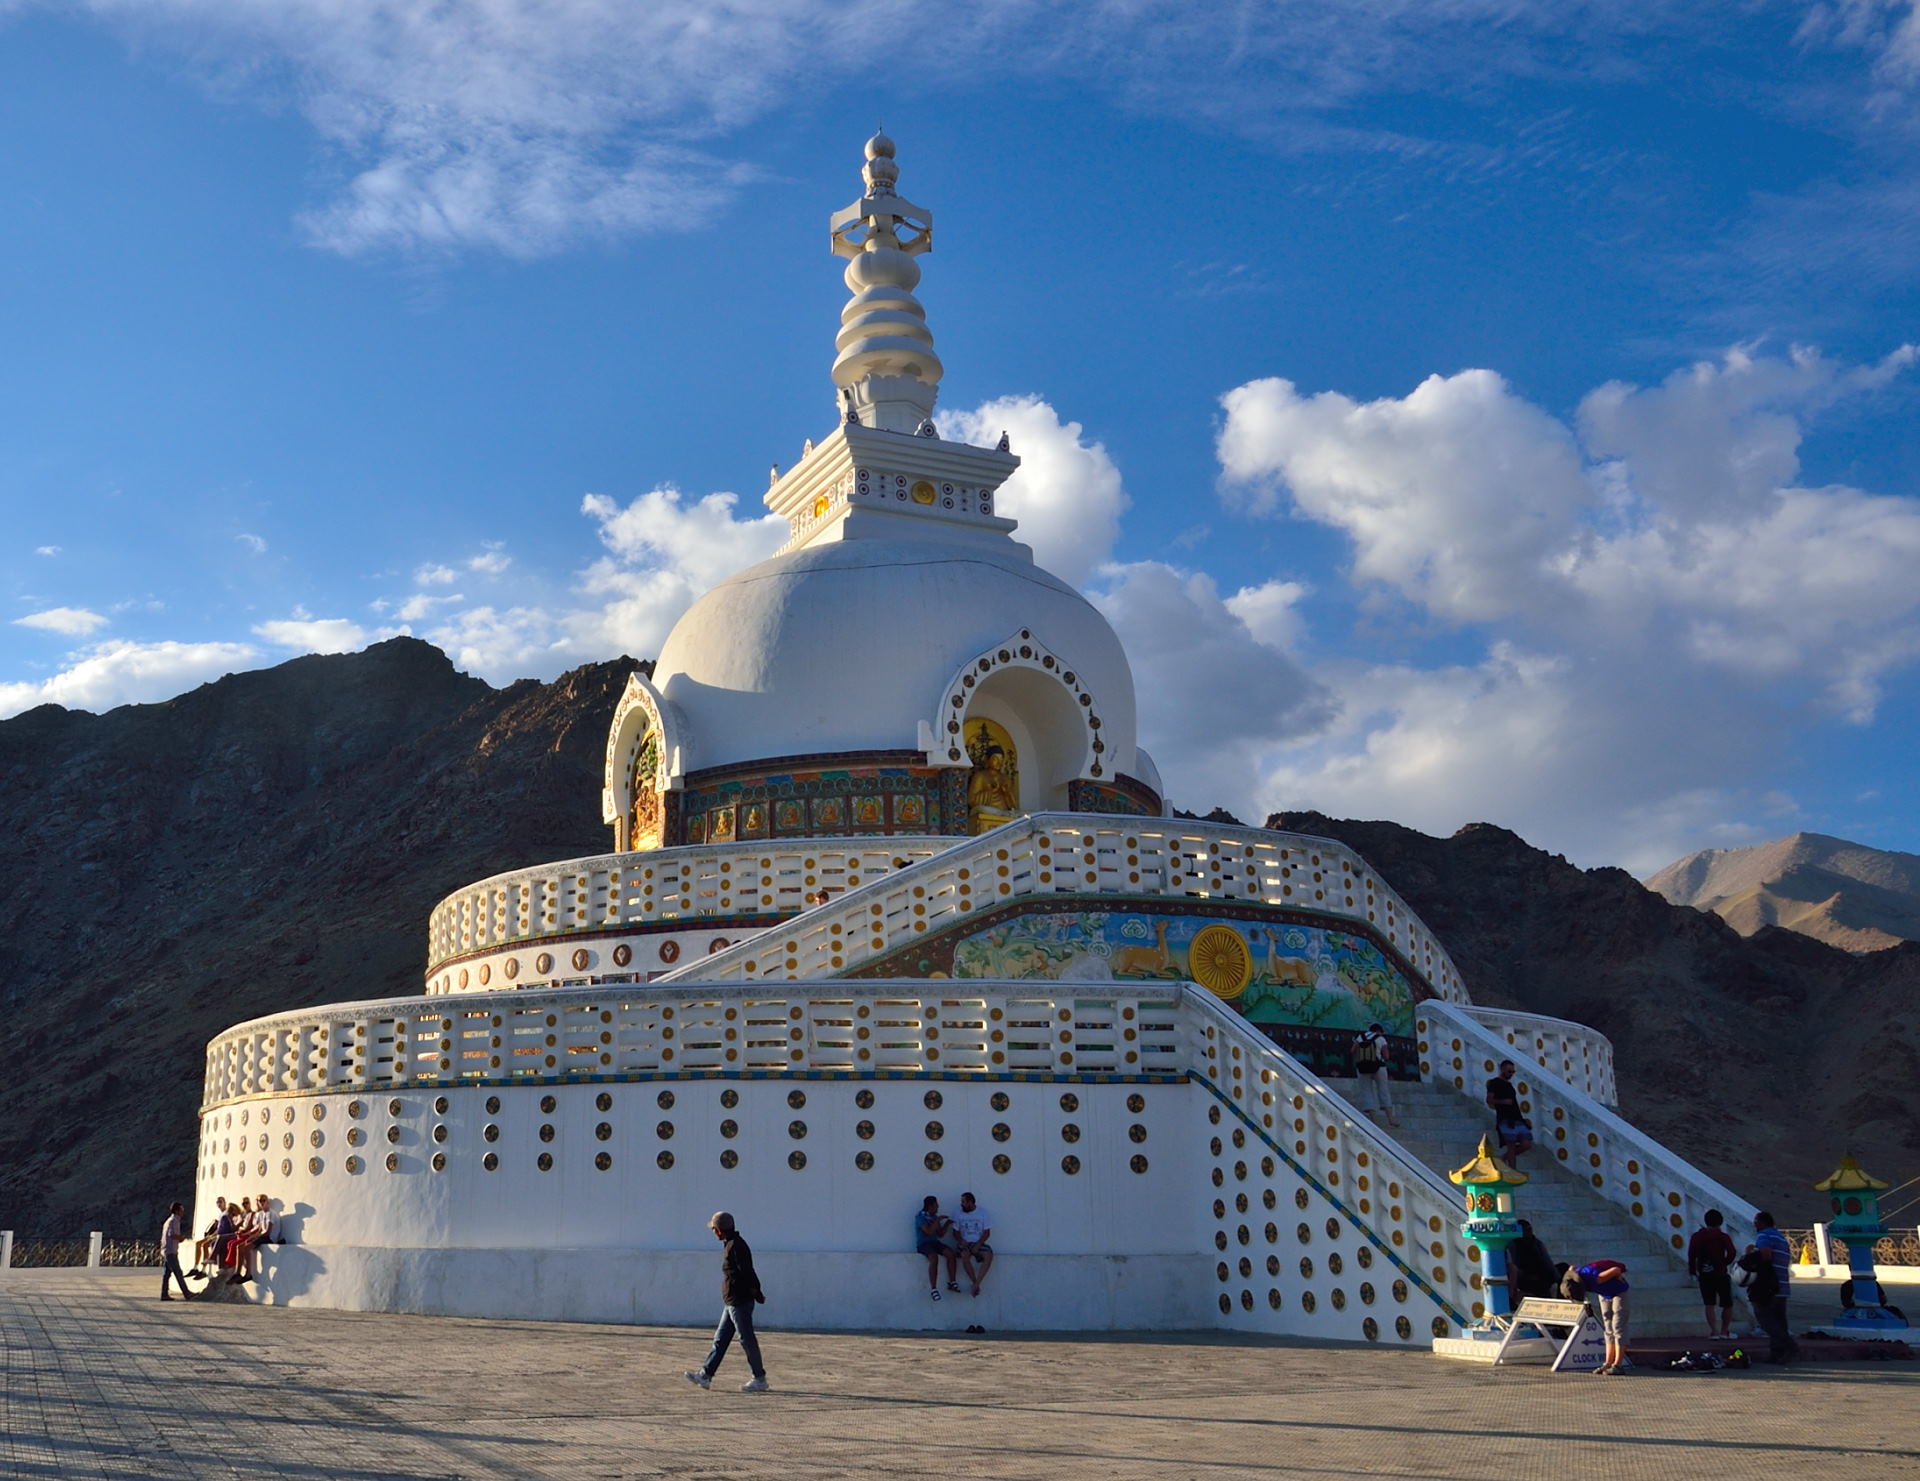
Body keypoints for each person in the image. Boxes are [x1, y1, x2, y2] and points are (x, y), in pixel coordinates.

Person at [684, 1211, 769, 1392]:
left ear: (719, 1230)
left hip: (740, 1302)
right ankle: (705, 1375)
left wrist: (756, 1291)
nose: (713, 1232)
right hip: (731, 1302)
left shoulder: (736, 1246)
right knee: (720, 1340)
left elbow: (747, 1272)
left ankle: (759, 1378)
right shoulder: (730, 1244)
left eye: (714, 1229)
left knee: (747, 1339)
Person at [1748, 1210, 1800, 1364]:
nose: (1755, 1224)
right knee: (1779, 1321)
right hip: (1782, 1285)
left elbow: (1765, 1254)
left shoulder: (1764, 1236)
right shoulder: (1780, 1237)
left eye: (1756, 1221)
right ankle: (1777, 1354)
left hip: (1768, 1286)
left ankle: (1789, 1345)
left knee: (1764, 1318)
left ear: (1762, 1222)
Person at [1563, 1258, 1631, 1375]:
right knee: (1608, 1327)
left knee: (1618, 1326)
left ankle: (1618, 1365)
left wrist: (1619, 1277)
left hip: (1619, 1292)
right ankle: (1608, 1363)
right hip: (1604, 1293)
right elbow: (1571, 1268)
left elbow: (1616, 1270)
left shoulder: (1597, 1278)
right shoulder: (1577, 1276)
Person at [1687, 1209, 1738, 1338]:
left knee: (1709, 1303)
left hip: (1704, 1273)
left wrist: (1693, 1270)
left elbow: (1691, 1255)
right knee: (1727, 1303)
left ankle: (1714, 1331)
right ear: (1720, 1222)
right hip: (1720, 1273)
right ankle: (1724, 1331)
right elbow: (1732, 1252)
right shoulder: (1723, 1237)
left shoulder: (1696, 1237)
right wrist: (1724, 1263)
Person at [1350, 1023, 1400, 1128]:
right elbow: (1386, 1056)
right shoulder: (1381, 1038)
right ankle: (1391, 1119)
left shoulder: (1360, 1037)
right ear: (1379, 1031)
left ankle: (1373, 1120)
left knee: (1367, 1091)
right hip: (1379, 1067)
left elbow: (1352, 1051)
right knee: (1383, 1090)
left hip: (1363, 1067)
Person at [950, 1191, 994, 1296]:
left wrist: (978, 1244)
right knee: (965, 1255)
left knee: (989, 1255)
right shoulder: (958, 1213)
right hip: (964, 1243)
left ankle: (977, 1283)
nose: (961, 1204)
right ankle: (974, 1282)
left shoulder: (983, 1212)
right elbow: (955, 1232)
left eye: (963, 1202)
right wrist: (961, 1241)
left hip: (978, 1243)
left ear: (970, 1202)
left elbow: (987, 1233)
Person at [916, 1195, 959, 1298]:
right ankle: (934, 1289)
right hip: (923, 1244)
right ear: (930, 1206)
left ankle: (952, 1282)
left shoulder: (934, 1217)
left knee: (951, 1254)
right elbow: (929, 1231)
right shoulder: (920, 1217)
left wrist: (947, 1224)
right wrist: (937, 1220)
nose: (938, 1207)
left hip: (935, 1242)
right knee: (934, 1258)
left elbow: (940, 1234)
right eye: (936, 1205)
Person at [1505, 1219, 1557, 1301]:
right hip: (1522, 1278)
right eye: (1526, 1230)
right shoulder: (1514, 1244)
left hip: (1540, 1275)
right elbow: (1513, 1264)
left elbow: (1547, 1261)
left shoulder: (1537, 1243)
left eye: (1530, 1229)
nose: (1529, 1232)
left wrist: (1555, 1277)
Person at [189, 1196, 228, 1276]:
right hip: (215, 1234)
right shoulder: (221, 1214)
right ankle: (195, 1267)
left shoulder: (226, 1213)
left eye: (221, 1202)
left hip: (221, 1235)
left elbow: (223, 1229)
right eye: (218, 1202)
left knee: (205, 1245)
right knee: (198, 1244)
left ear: (224, 1203)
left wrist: (213, 1236)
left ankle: (203, 1270)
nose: (219, 1204)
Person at [160, 1202, 191, 1301]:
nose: (183, 1212)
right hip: (170, 1251)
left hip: (167, 1249)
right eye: (181, 1210)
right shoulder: (174, 1221)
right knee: (178, 1272)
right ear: (177, 1211)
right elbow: (171, 1234)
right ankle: (187, 1293)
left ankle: (164, 1294)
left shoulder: (169, 1220)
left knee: (167, 1274)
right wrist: (180, 1238)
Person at [1485, 1061, 1521, 1126]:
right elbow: (1489, 1100)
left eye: (1513, 1072)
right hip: (1504, 1120)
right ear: (1502, 1070)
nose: (1511, 1074)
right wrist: (1504, 1101)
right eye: (1509, 1071)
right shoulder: (1494, 1083)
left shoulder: (1509, 1084)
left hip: (1516, 1119)